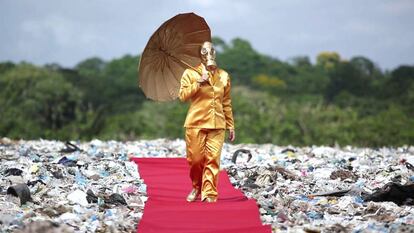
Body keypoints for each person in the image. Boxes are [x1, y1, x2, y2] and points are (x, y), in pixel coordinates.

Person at [178, 41, 236, 203]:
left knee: (213, 159)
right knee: (195, 160)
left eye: (211, 50)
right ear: (199, 54)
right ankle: (197, 186)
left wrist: (230, 124)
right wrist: (198, 83)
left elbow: (226, 102)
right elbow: (182, 96)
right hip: (196, 123)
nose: (208, 53)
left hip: (218, 124)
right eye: (204, 51)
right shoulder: (190, 73)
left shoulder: (224, 76)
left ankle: (209, 192)